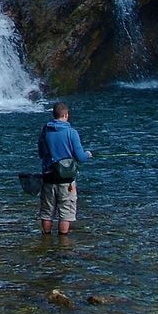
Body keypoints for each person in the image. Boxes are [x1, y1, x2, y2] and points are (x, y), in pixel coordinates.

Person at [37, 101, 91, 237]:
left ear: (54, 115)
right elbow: (80, 157)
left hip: (48, 176)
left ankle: (46, 240)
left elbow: (41, 153)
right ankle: (63, 245)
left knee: (47, 212)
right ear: (66, 115)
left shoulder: (45, 130)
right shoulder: (71, 132)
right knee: (65, 212)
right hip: (66, 179)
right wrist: (88, 155)